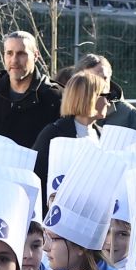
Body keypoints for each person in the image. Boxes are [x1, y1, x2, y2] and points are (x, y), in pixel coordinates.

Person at [0, 31, 62, 148]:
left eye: (21, 54)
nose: (14, 60)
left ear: (36, 56)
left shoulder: (53, 97)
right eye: (9, 53)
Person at [31, 68, 107, 196]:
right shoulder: (53, 133)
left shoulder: (103, 135)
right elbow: (36, 175)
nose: (108, 102)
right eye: (105, 95)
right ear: (89, 98)